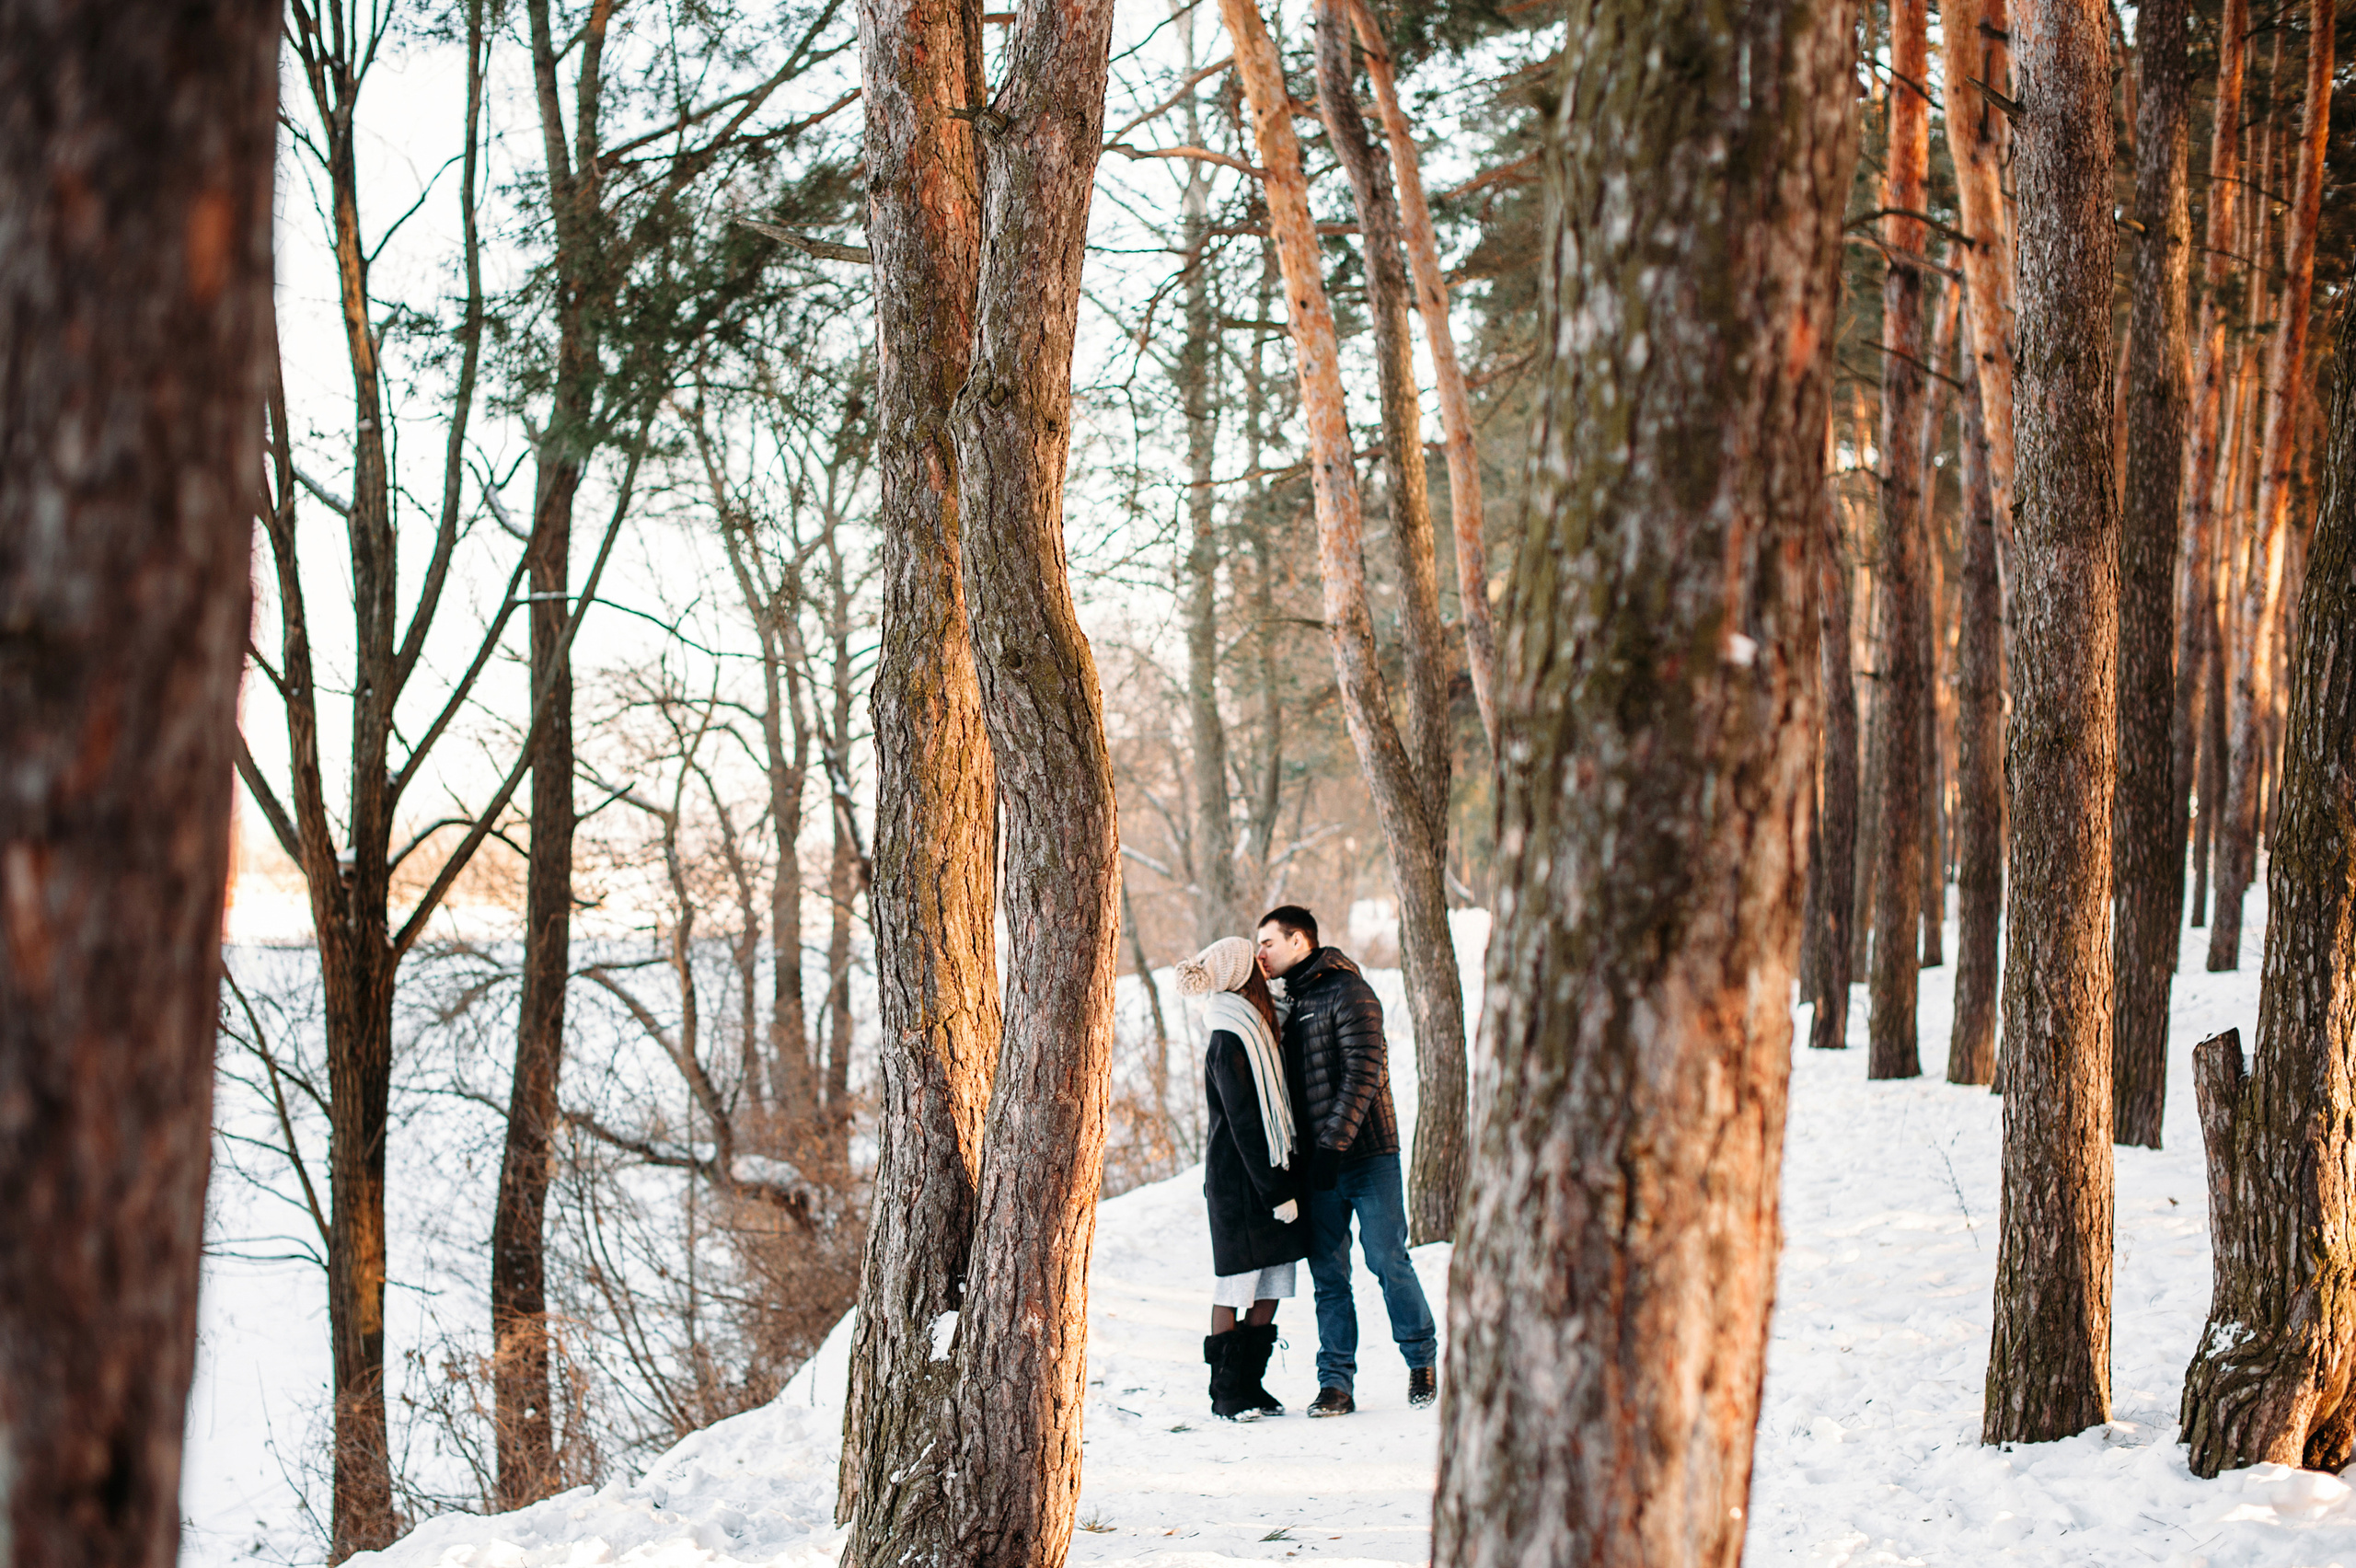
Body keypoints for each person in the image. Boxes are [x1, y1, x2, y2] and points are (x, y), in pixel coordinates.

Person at [1255, 905, 1437, 1415]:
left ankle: (1421, 1359)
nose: (1260, 953)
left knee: (1386, 1259)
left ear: (1299, 941)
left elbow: (1364, 1073)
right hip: (1316, 1168)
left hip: (1368, 1156)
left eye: (1267, 942)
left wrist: (1333, 1147)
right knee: (1329, 1276)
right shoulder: (1287, 1003)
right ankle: (1336, 1383)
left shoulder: (1349, 991)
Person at [1177, 936, 1307, 1421]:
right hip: (1240, 1185)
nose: (1262, 963)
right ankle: (1226, 1393)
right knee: (1235, 1286)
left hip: (1270, 1177)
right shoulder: (1229, 1036)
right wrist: (1275, 1192)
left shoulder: (1257, 1024)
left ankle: (1252, 1384)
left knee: (1273, 1280)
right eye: (1254, 959)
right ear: (1240, 973)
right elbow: (1245, 1123)